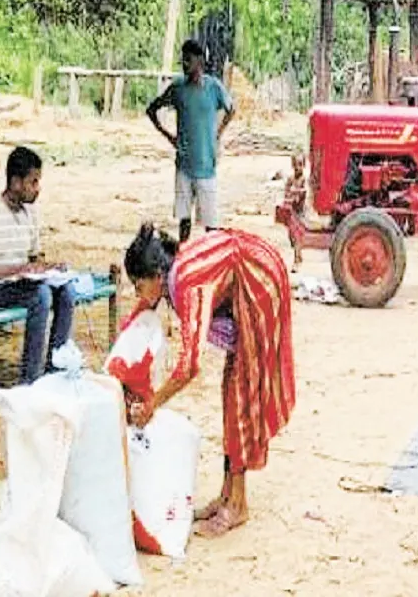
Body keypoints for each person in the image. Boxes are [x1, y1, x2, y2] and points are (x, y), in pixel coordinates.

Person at [122, 223, 295, 538]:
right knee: (231, 390)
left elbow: (190, 366)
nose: (138, 293)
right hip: (247, 277)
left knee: (241, 393)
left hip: (258, 285)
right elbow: (142, 308)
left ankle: (238, 503)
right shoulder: (170, 274)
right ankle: (227, 493)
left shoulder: (188, 284)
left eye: (138, 285)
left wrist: (152, 404)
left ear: (156, 277)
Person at [0, 146, 72, 384]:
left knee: (66, 291)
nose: (37, 189)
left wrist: (49, 267)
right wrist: (17, 270)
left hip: (20, 284)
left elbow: (33, 261)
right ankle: (29, 382)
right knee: (40, 296)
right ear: (15, 182)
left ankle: (55, 372)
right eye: (33, 182)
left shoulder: (30, 214)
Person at [147, 39, 236, 244]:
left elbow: (231, 110)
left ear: (200, 61)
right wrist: (168, 135)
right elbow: (152, 109)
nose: (185, 64)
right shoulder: (177, 89)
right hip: (184, 165)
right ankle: (184, 258)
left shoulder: (214, 88)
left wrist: (218, 133)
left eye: (188, 60)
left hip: (207, 163)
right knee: (184, 220)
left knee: (211, 224)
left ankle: (210, 263)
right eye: (183, 60)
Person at [284, 153, 307, 272]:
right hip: (292, 211)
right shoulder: (291, 179)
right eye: (296, 164)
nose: (298, 167)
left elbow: (303, 192)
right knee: (292, 237)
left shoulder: (304, 179)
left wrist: (296, 192)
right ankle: (298, 256)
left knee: (297, 236)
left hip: (300, 212)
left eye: (301, 164)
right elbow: (286, 193)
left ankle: (296, 261)